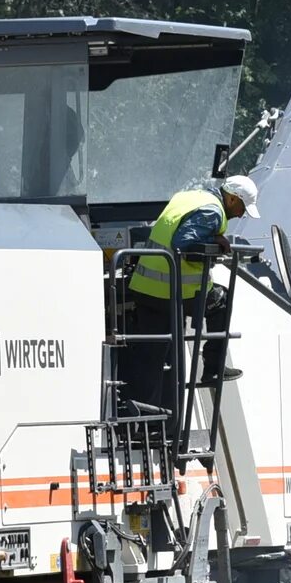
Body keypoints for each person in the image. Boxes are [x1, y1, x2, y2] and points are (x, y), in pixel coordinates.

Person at [120, 175, 260, 418]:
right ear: (232, 198)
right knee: (221, 300)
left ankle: (140, 414)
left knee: (151, 355)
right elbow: (183, 242)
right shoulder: (212, 212)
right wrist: (216, 242)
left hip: (146, 287)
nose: (241, 214)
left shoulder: (189, 197)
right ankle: (213, 369)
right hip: (172, 289)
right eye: (242, 207)